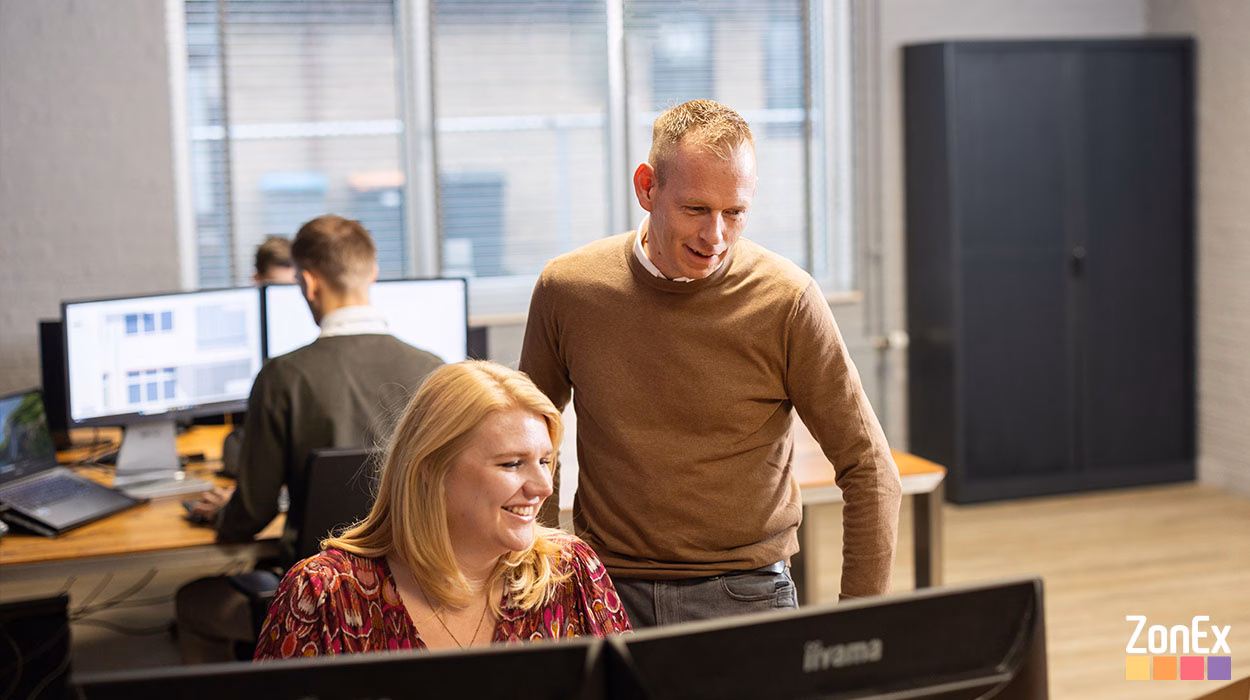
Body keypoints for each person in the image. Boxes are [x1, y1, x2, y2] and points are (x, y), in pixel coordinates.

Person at [518, 99, 902, 627]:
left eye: (735, 213)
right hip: (603, 588)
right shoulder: (569, 289)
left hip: (746, 594)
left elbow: (871, 469)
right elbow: (529, 444)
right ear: (647, 187)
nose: (715, 237)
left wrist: (857, 629)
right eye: (696, 209)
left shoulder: (787, 299)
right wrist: (542, 584)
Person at [175, 214, 445, 663]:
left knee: (192, 600)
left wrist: (221, 514)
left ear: (308, 283)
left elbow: (252, 514)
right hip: (422, 598)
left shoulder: (284, 375)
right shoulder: (435, 369)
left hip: (320, 603)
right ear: (373, 272)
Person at [254, 361, 632, 658]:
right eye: (511, 464)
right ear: (430, 470)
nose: (543, 487)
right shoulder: (325, 594)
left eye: (545, 461)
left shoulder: (570, 571)